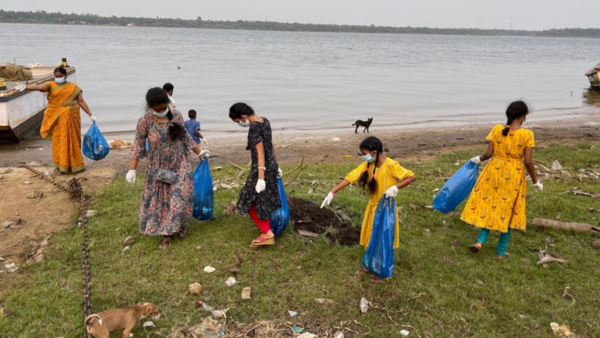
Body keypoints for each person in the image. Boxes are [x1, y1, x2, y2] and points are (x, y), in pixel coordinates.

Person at [321, 136, 416, 283]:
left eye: (364, 153)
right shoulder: (368, 165)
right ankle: (369, 266)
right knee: (370, 236)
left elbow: (411, 176)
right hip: (372, 207)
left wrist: (395, 187)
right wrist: (332, 192)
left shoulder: (391, 165)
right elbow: (352, 176)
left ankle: (385, 274)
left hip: (385, 209)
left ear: (374, 152)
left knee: (382, 238)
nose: (363, 156)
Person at [127, 88, 209, 249]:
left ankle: (178, 225)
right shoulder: (145, 121)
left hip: (180, 163)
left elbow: (185, 136)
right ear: (150, 107)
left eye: (162, 108)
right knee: (163, 200)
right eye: (156, 109)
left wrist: (199, 152)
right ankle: (167, 234)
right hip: (159, 168)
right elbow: (138, 144)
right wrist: (132, 169)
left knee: (180, 195)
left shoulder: (176, 115)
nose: (160, 111)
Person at [462, 101, 543, 259]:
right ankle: (500, 252)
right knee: (509, 211)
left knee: (492, 206)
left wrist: (477, 159)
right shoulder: (527, 135)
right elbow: (528, 162)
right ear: (522, 116)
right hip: (513, 176)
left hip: (494, 171)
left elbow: (488, 154)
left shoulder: (497, 130)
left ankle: (480, 242)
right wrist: (535, 181)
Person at [17, 66, 96, 174]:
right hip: (58, 118)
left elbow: (81, 101)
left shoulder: (73, 87)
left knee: (74, 140)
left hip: (72, 116)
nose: (58, 78)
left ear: (65, 76)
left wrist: (90, 115)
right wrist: (27, 87)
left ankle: (77, 166)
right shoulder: (51, 85)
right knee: (59, 141)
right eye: (56, 76)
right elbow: (40, 87)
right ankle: (61, 167)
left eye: (60, 76)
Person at [229, 103, 282, 247]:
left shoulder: (254, 127)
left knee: (246, 199)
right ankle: (267, 229)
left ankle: (267, 233)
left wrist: (260, 177)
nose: (240, 123)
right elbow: (270, 145)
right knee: (263, 199)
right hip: (271, 165)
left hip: (261, 168)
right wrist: (276, 165)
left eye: (238, 121)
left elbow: (260, 152)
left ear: (242, 116)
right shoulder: (265, 120)